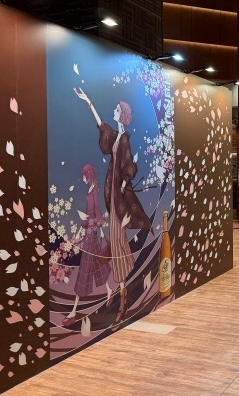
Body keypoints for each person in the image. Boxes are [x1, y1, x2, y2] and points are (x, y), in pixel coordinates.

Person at [73, 87, 152, 328]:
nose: (114, 111)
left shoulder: (124, 138)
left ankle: (123, 301)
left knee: (118, 245)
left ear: (123, 114)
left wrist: (124, 187)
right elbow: (102, 128)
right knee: (117, 244)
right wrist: (89, 103)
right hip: (114, 199)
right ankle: (122, 294)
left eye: (117, 109)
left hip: (119, 200)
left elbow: (129, 167)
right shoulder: (116, 137)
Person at [62, 164, 112, 327]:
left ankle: (74, 311)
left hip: (92, 233)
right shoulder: (90, 190)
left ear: (88, 175)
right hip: (89, 232)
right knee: (97, 263)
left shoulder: (94, 190)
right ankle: (109, 290)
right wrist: (80, 230)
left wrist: (100, 229)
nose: (82, 178)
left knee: (84, 269)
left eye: (84, 175)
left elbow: (97, 211)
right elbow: (89, 214)